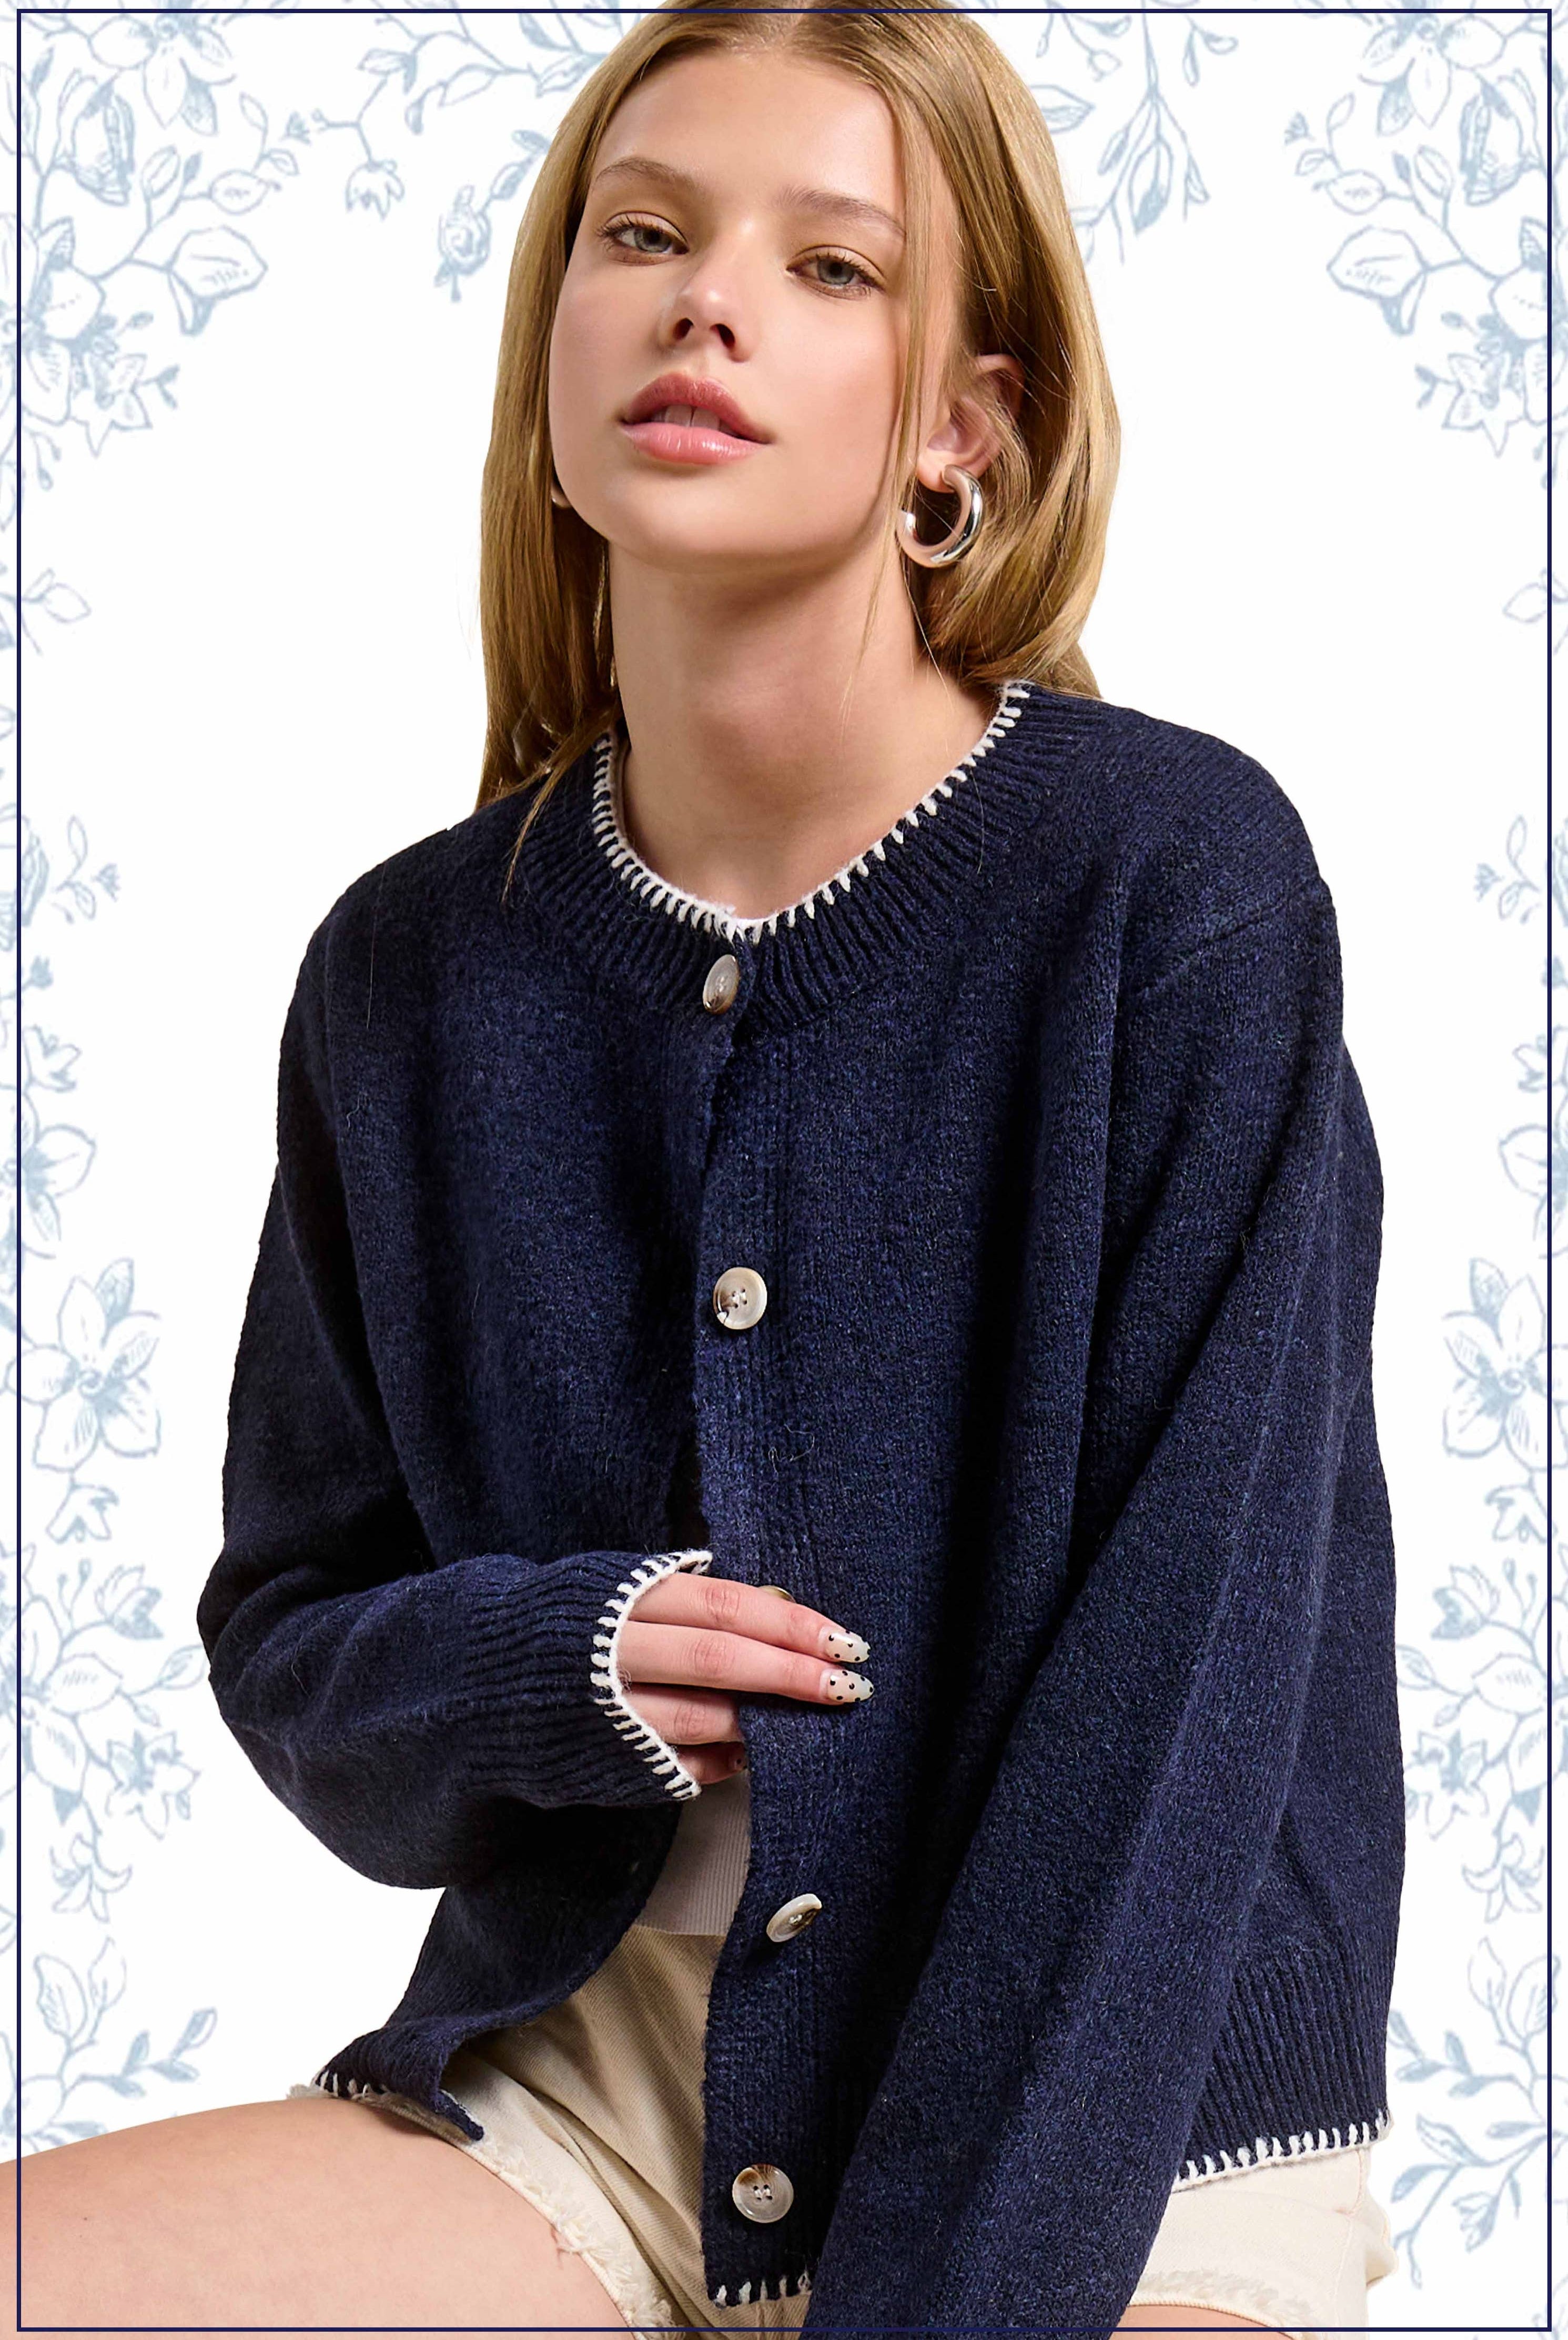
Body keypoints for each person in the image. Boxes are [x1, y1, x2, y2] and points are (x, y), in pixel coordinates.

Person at [9, 5, 1404, 2335]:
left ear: (962, 429)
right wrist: (546, 1660)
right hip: (594, 2092)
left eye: (830, 265)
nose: (706, 304)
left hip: (1122, 2122)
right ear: (555, 345)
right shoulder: (412, 970)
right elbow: (297, 1639)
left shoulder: (1172, 888)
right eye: (642, 236)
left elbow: (1171, 1726)